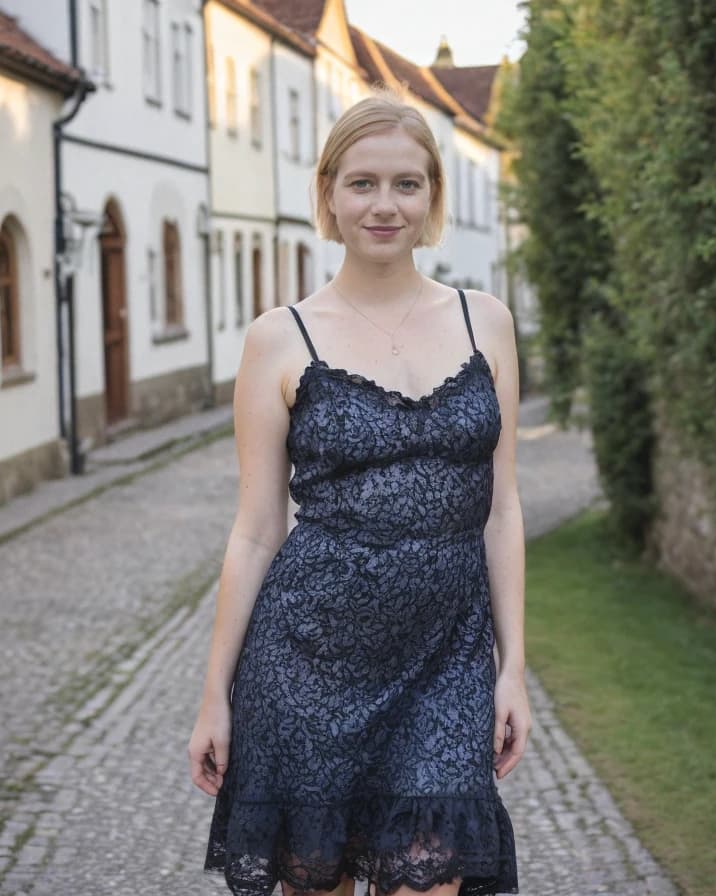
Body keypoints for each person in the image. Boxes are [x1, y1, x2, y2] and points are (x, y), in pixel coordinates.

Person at [188, 85, 530, 896]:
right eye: (363, 184)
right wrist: (213, 695)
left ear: (433, 198)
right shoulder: (279, 338)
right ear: (329, 196)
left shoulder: (487, 322)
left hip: (446, 659)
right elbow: (256, 528)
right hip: (307, 665)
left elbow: (503, 507)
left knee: (432, 880)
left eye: (407, 184)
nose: (385, 205)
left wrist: (513, 667)